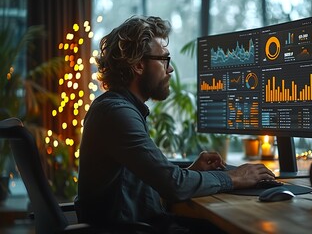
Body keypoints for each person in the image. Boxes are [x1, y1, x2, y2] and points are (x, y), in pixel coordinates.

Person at [75, 16, 275, 233]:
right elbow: (174, 185)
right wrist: (234, 177)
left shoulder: (119, 109)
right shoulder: (116, 113)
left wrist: (192, 171)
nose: (170, 70)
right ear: (138, 65)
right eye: (164, 59)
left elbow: (143, 184)